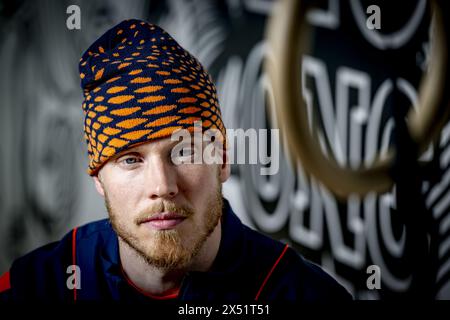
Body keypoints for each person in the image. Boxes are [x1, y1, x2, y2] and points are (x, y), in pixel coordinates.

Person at [0, 19, 351, 302]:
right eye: (130, 159)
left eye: (183, 151)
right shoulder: (37, 286)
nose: (163, 187)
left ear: (223, 160)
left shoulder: (302, 295)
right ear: (98, 178)